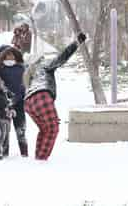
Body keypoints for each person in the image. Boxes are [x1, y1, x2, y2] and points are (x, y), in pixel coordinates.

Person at [24, 33, 87, 161]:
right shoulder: (44, 65)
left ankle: (38, 158)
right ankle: (41, 160)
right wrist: (76, 43)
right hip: (41, 95)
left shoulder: (31, 71)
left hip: (29, 102)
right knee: (52, 128)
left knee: (44, 129)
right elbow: (61, 58)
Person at [0, 46, 28, 157]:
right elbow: (0, 85)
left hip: (19, 103)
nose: (10, 57)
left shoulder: (21, 68)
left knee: (21, 130)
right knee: (5, 131)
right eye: (7, 55)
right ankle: (5, 153)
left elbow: (24, 85)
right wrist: (7, 99)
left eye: (12, 54)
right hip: (5, 104)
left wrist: (17, 98)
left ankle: (24, 153)